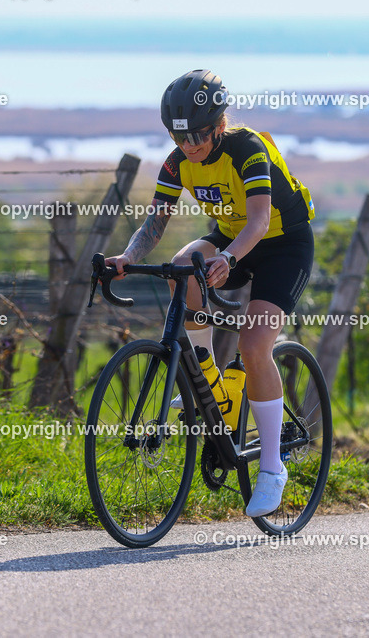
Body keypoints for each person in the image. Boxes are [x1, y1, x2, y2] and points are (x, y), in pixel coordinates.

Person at [105, 69, 315, 517]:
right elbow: (155, 222)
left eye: (199, 134)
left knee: (255, 343)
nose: (189, 145)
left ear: (220, 124)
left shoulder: (247, 149)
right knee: (181, 268)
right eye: (179, 136)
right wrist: (125, 256)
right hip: (232, 238)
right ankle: (211, 383)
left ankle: (273, 466)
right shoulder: (177, 161)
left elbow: (260, 221)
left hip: (282, 244)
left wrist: (230, 261)